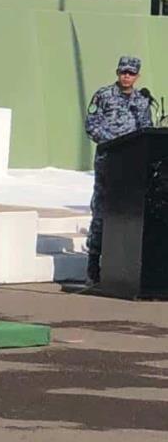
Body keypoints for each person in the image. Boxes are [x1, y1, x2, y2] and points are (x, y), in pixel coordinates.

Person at [84, 55, 152, 285]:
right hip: (108, 161)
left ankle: (124, 269)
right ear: (117, 72)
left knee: (129, 214)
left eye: (131, 73)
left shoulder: (142, 102)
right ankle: (93, 265)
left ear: (137, 76)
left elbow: (146, 132)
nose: (126, 76)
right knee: (102, 210)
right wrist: (115, 143)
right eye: (123, 72)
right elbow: (91, 124)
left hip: (132, 165)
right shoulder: (103, 95)